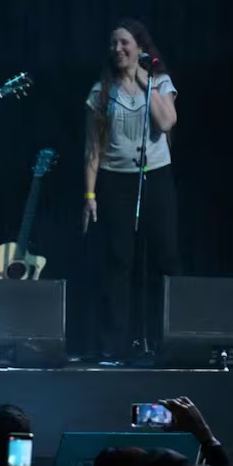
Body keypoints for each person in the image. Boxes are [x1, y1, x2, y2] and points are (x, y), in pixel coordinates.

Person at [83, 19, 180, 364]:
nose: (118, 49)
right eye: (113, 44)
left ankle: (168, 339)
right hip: (115, 181)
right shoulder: (101, 91)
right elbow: (93, 148)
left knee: (165, 257)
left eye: (124, 43)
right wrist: (90, 195)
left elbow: (166, 122)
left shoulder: (160, 82)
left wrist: (144, 79)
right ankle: (115, 345)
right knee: (118, 262)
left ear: (140, 48)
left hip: (156, 177)